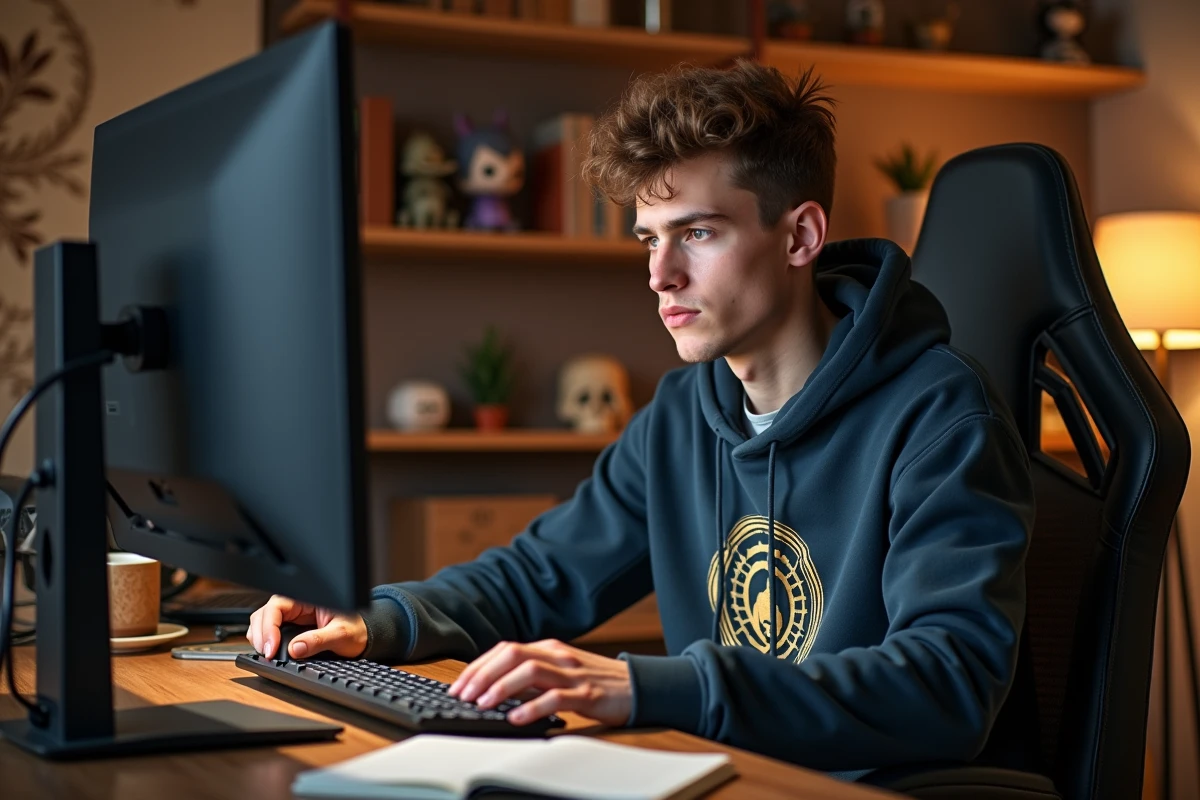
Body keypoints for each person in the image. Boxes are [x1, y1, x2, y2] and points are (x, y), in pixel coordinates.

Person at [249, 60, 1037, 778]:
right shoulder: (680, 417)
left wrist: (649, 685)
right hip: (735, 775)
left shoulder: (938, 413)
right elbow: (535, 578)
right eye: (648, 239)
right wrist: (378, 620)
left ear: (800, 235)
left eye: (697, 232)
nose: (661, 275)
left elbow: (949, 686)